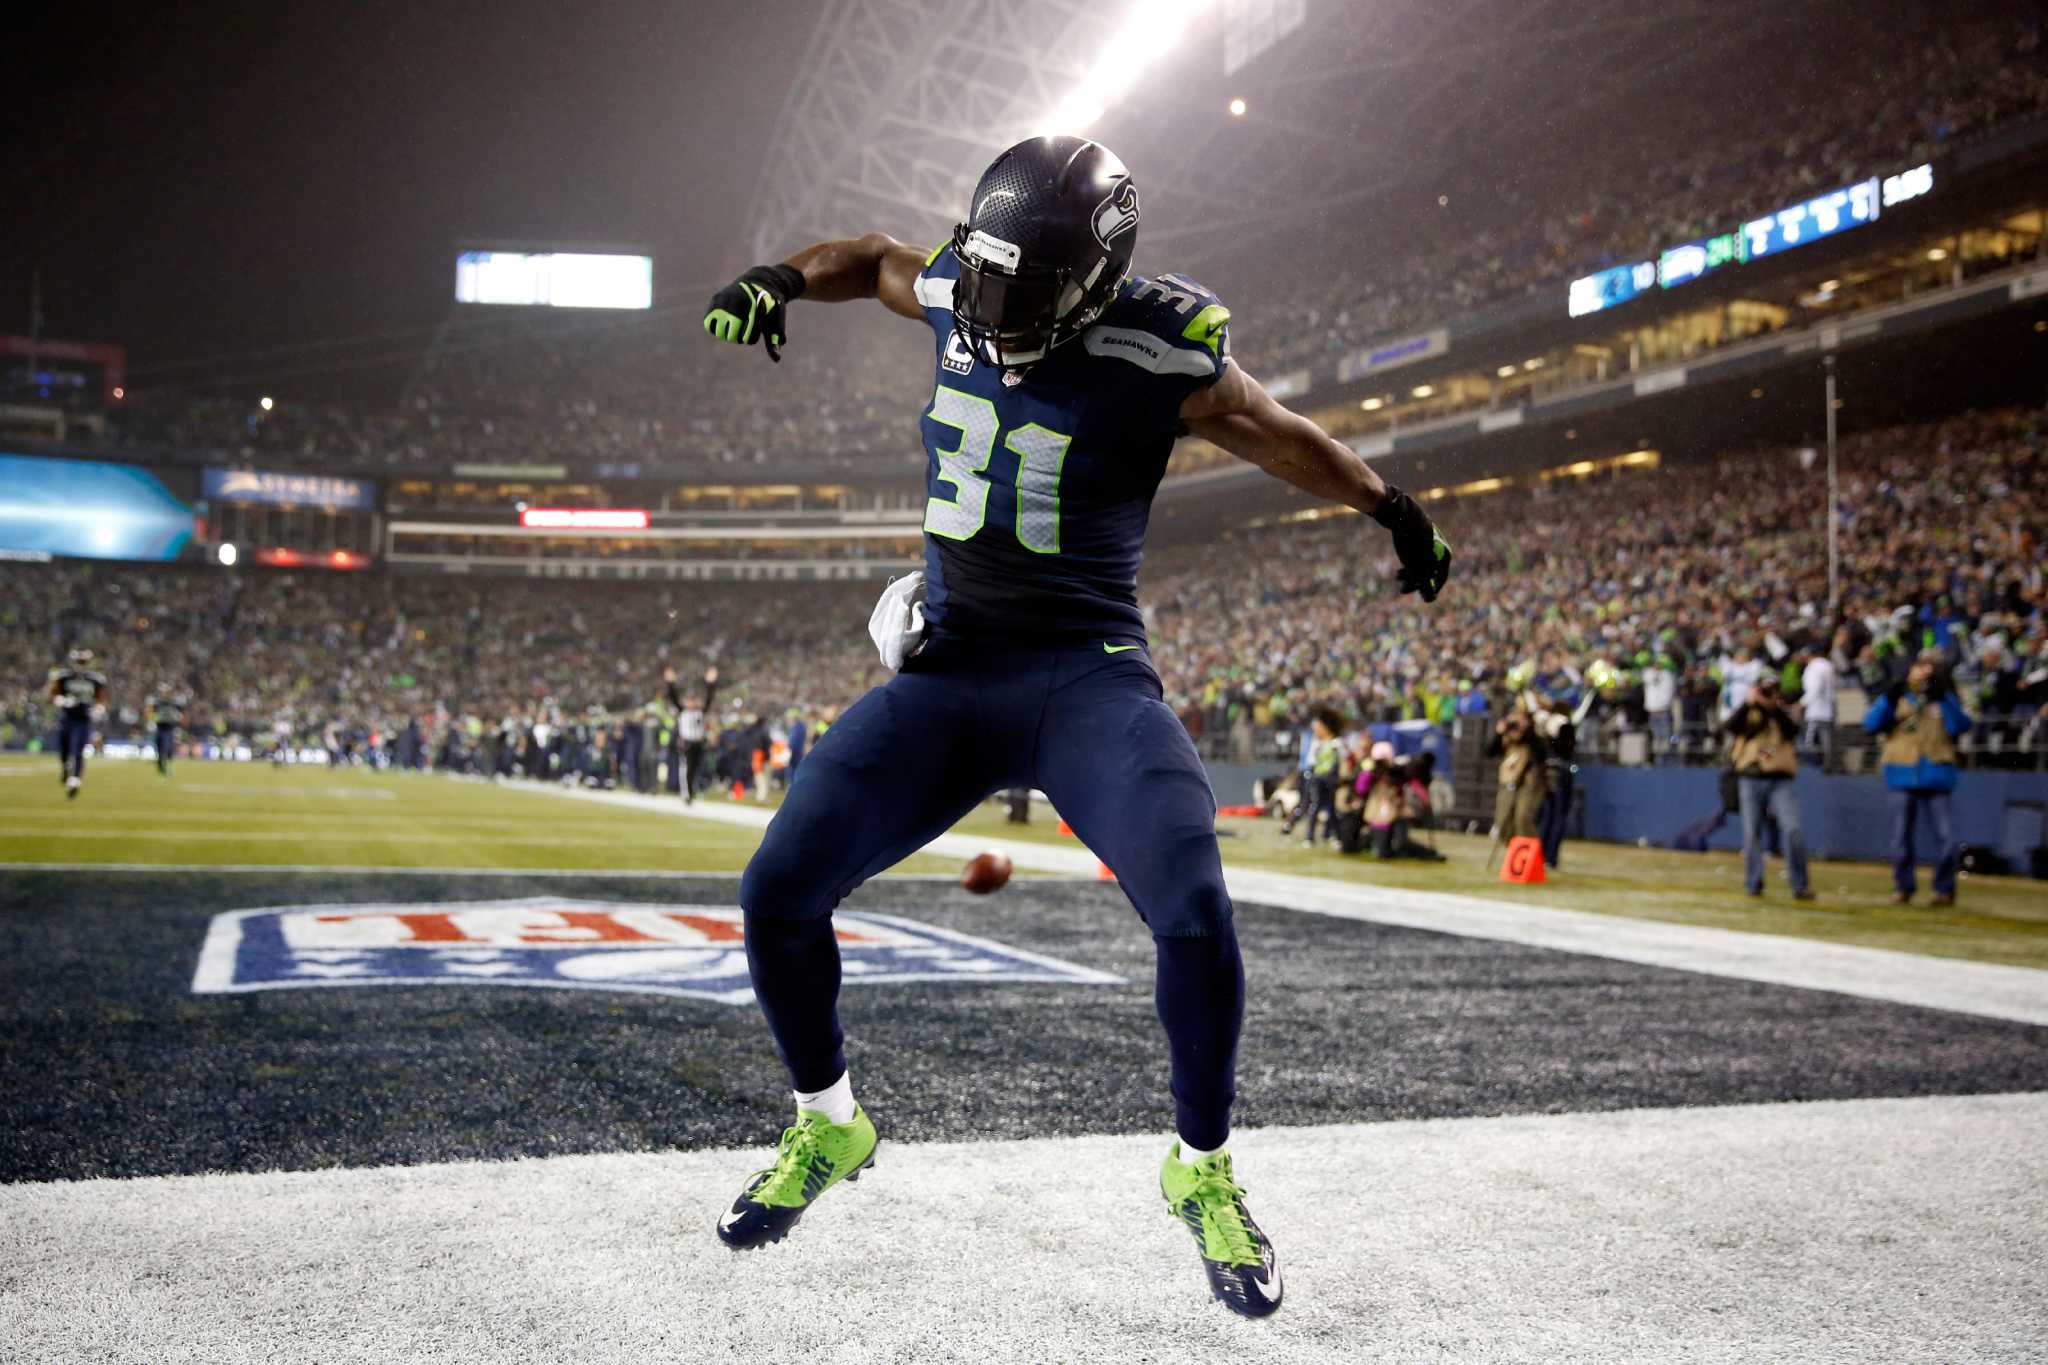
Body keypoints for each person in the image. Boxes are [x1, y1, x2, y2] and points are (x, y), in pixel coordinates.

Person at [700, 134, 1451, 1317]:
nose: (987, 311)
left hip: (1085, 678)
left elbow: (1277, 431)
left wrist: (1391, 508)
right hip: (948, 677)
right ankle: (827, 1127)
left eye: (1019, 295)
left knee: (1194, 917)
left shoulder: (1158, 350)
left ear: (1095, 283)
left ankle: (1199, 1169)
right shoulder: (962, 281)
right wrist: (780, 278)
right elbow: (870, 256)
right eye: (980, 284)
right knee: (774, 889)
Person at [1863, 651, 1973, 906]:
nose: (1924, 673)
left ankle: (1944, 889)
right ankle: (1903, 887)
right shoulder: (1897, 697)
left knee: (1948, 838)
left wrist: (1943, 696)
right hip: (1902, 772)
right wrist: (1890, 697)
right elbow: (1870, 725)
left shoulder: (1944, 698)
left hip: (1937, 774)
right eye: (1919, 667)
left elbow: (1960, 726)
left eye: (1928, 668)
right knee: (1901, 839)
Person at [1724, 675, 1813, 900]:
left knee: (1793, 829)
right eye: (1765, 691)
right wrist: (1749, 703)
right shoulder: (1748, 713)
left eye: (1772, 691)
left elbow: (1792, 731)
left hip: (1780, 778)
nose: (1768, 695)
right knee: (1751, 833)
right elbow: (1729, 727)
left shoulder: (1783, 713)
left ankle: (1800, 884)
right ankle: (1753, 883)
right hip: (1750, 777)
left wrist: (1774, 708)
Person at [47, 648, 106, 799]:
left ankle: (75, 781)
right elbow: (53, 694)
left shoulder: (95, 679)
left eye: (83, 662)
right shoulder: (63, 677)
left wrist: (98, 709)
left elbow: (101, 699)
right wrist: (62, 700)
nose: (81, 665)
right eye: (79, 662)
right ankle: (66, 767)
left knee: (79, 749)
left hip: (83, 720)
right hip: (67, 718)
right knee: (64, 750)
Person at [1799, 646, 1837, 764]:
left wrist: (1801, 703)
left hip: (1815, 709)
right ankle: (1828, 761)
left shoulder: (1813, 667)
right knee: (1826, 739)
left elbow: (1814, 689)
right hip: (1829, 708)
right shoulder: (1828, 665)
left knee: (1810, 739)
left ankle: (1811, 762)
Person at [144, 684, 186, 780]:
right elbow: (149, 713)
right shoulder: (157, 702)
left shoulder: (174, 703)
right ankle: (161, 767)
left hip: (169, 728)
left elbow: (182, 715)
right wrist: (153, 718)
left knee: (167, 748)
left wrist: (180, 721)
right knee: (159, 749)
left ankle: (167, 768)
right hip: (159, 728)